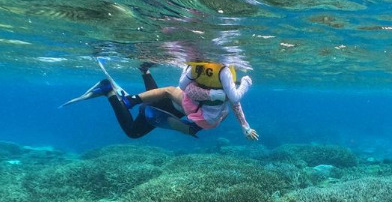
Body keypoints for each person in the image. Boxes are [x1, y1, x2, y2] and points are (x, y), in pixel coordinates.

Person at [68, 62, 258, 140]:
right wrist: (132, 101)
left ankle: (145, 71)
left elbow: (236, 105)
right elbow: (171, 91)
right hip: (166, 109)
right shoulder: (197, 92)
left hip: (170, 109)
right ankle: (110, 92)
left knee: (156, 98)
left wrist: (245, 126)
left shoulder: (223, 96)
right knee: (133, 132)